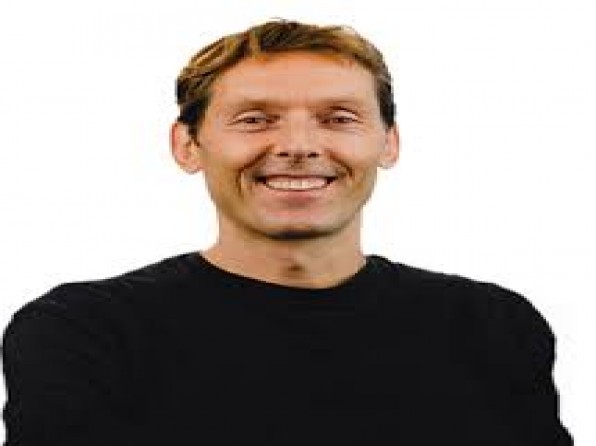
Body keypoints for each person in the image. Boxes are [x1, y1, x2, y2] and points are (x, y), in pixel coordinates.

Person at [1, 19, 573, 445]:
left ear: (388, 143)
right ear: (187, 145)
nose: (299, 146)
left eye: (338, 118)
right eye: (255, 119)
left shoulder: (493, 328)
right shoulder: (85, 335)